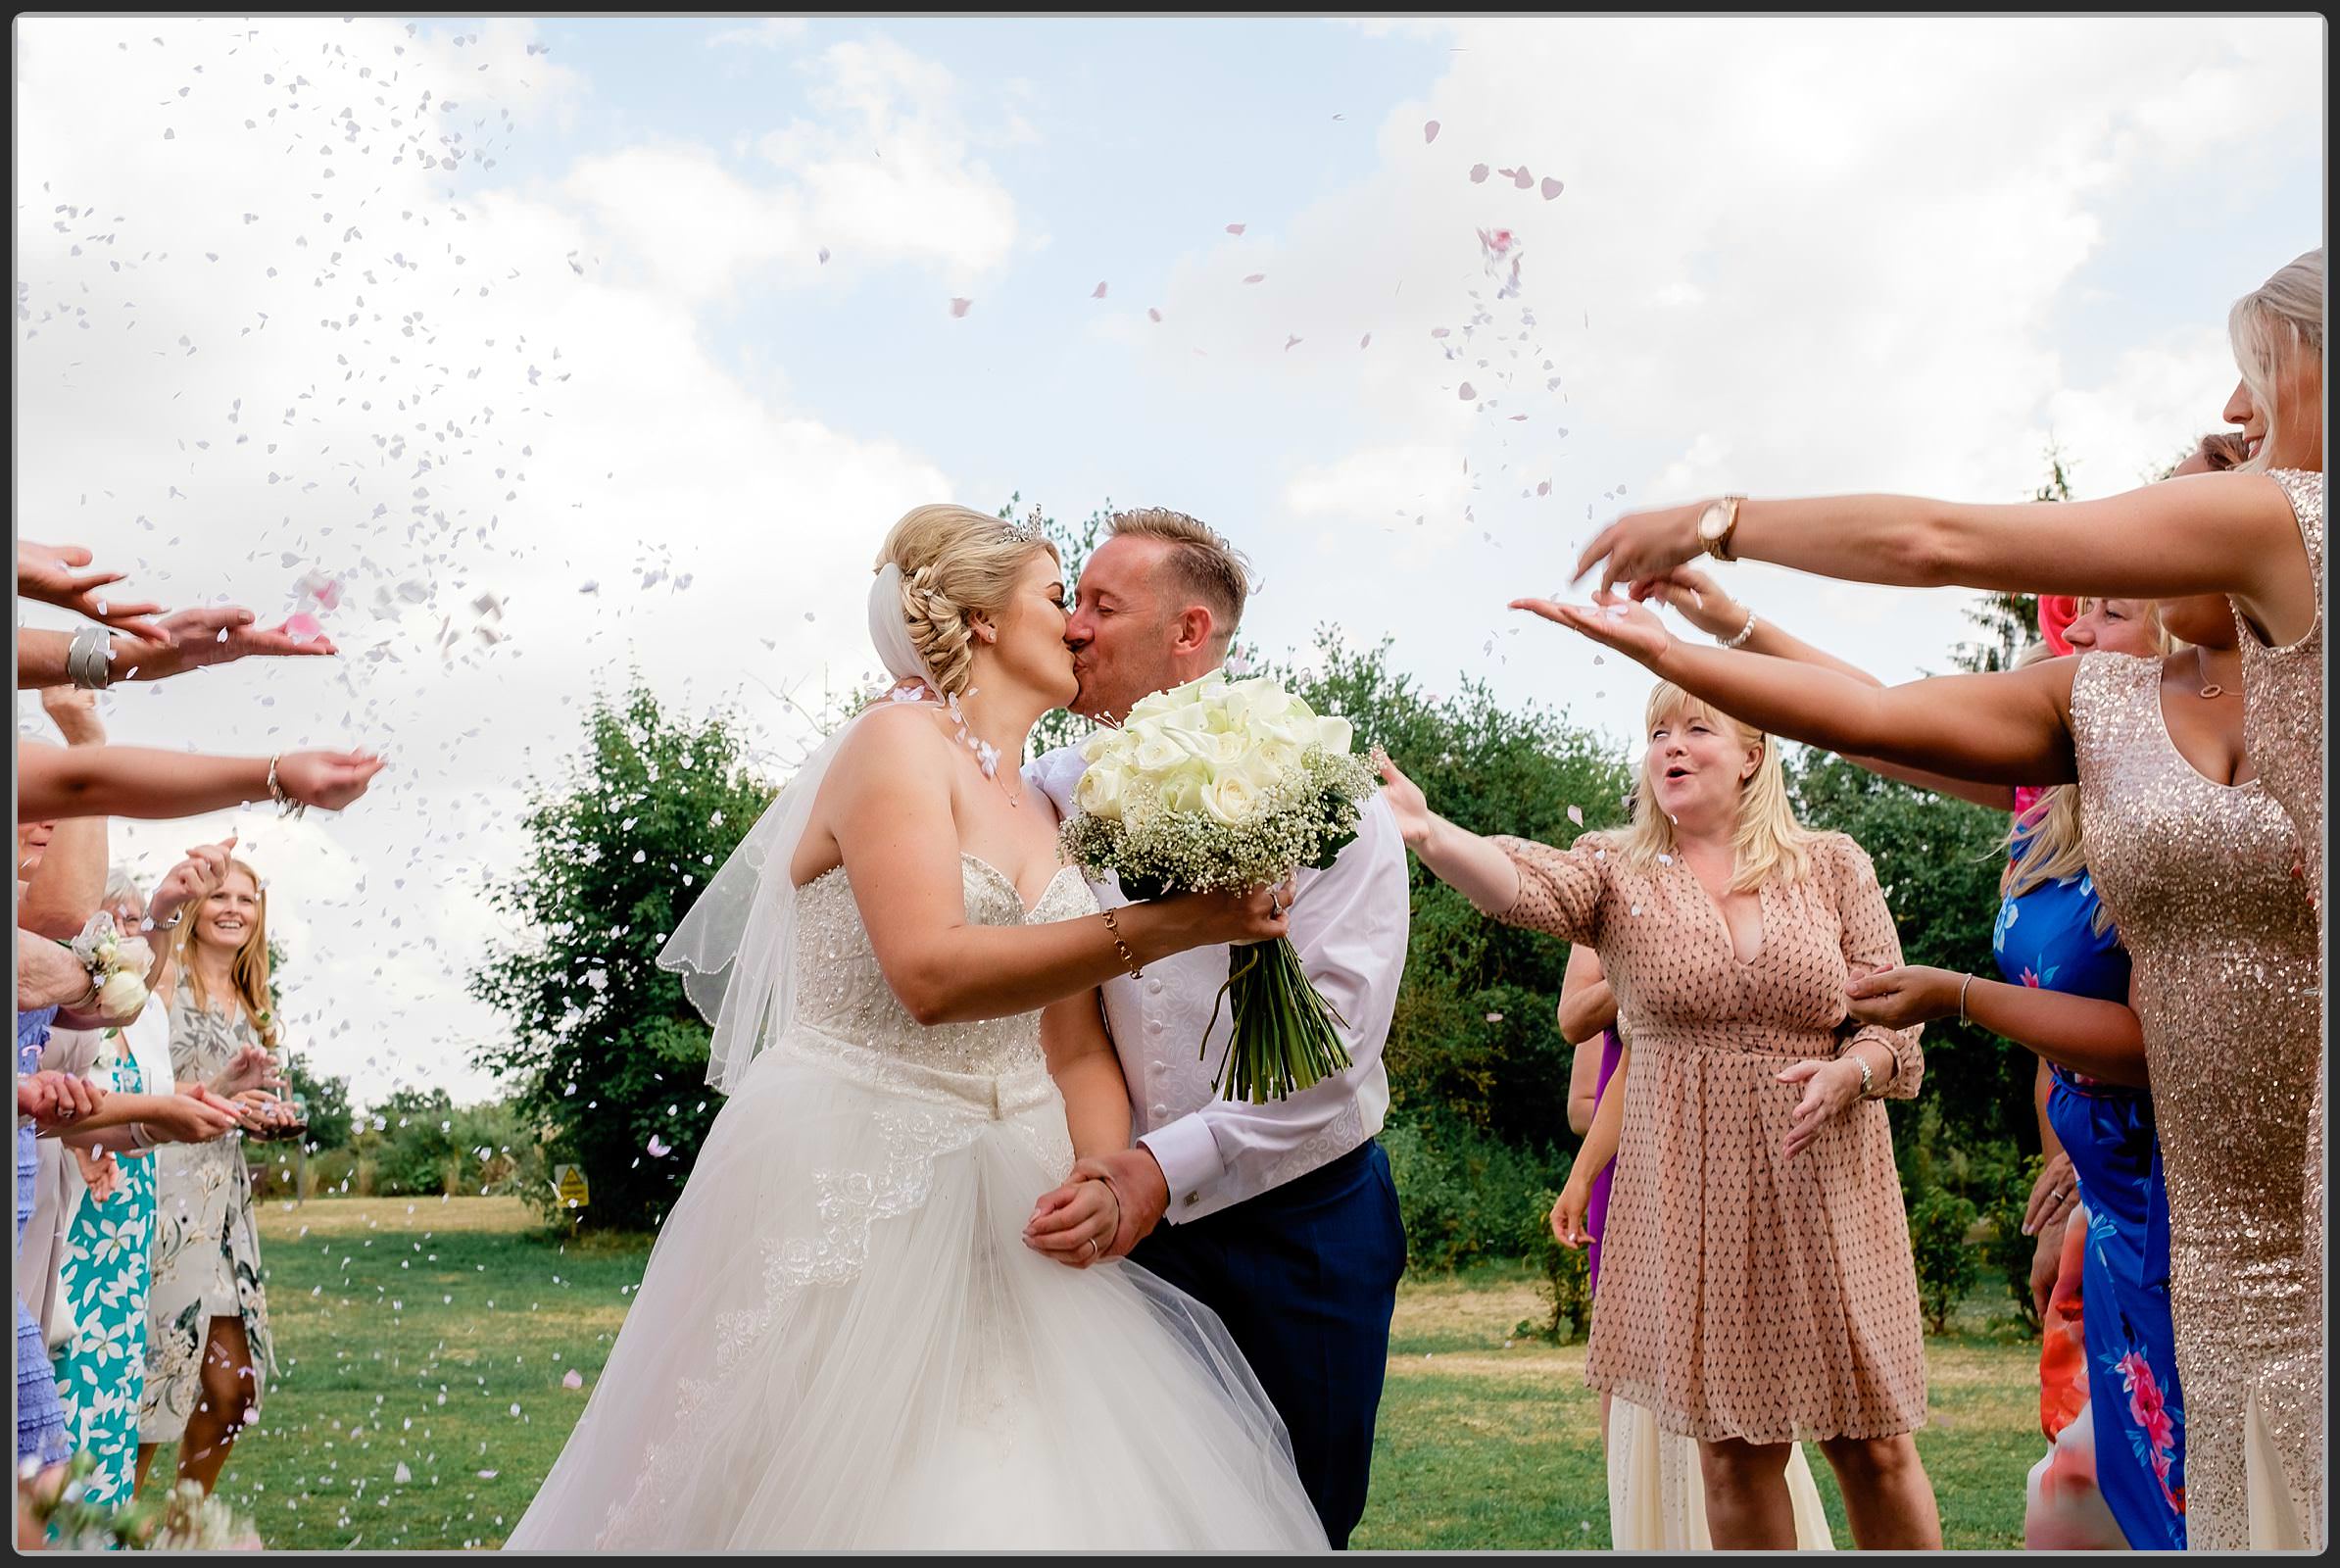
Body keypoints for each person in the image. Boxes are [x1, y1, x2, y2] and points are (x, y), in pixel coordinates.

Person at [508, 504, 1328, 1549]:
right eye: (1054, 595)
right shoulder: (894, 745)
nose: (1076, 625)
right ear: (981, 620)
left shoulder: (1051, 807)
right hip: (852, 1165)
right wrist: (1174, 926)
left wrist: (1102, 1174)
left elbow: (1072, 1042)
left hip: (1016, 1187)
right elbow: (931, 972)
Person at [1536, 556, 2317, 1547]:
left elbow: (2197, 1037)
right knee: (2122, 1487)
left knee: (2210, 1488)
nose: (2065, 640)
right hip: (2109, 1181)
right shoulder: (2051, 807)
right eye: (2063, 622)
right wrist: (1737, 628)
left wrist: (1954, 1000)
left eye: (2106, 614)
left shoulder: (2209, 810)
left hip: (2210, 1187)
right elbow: (1878, 713)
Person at [1376, 685, 1941, 1549]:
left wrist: (1853, 1071)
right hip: (1692, 1193)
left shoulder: (1832, 863)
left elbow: (1894, 1019)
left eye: (1696, 729)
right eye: (1656, 733)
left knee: (1874, 1448)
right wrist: (1429, 833)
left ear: (1752, 753)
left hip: (1828, 1185)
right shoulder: (1616, 868)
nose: (1671, 746)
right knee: (1733, 1457)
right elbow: (1517, 881)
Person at [1021, 507, 1411, 1547]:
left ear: (1189, 632)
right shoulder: (1050, 793)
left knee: (1299, 1519)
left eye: (1103, 606)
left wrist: (1160, 1166)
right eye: (1074, 605)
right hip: (1126, 1225)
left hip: (1307, 1223)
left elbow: (1335, 1050)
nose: (1074, 630)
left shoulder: (1336, 802)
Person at [1560, 944, 1837, 1551]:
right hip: (1648, 1179)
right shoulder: (1631, 930)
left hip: (1744, 1175)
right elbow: (1599, 1055)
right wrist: (1649, 965)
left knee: (1741, 1378)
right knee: (1638, 1373)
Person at [137, 858, 297, 1497]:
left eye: (247, 899)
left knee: (235, 1392)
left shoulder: (255, 1000)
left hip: (226, 1209)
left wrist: (264, 1113)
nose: (233, 908)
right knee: (153, 1391)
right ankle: (108, 1536)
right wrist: (220, 1095)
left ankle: (182, 1531)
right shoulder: (163, 982)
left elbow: (238, 1101)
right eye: (219, 896)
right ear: (194, 908)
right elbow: (137, 1088)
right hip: (161, 1198)